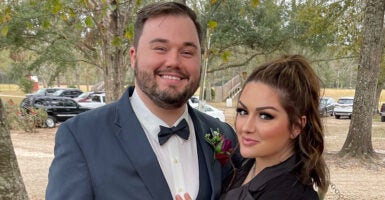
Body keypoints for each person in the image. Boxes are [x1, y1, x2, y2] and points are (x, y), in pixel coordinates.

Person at [46, 1, 242, 200]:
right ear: (134, 56)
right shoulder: (82, 137)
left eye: (187, 52)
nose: (174, 61)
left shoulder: (223, 135)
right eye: (160, 48)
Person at [219, 55, 330, 199]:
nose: (246, 127)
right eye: (243, 111)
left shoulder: (294, 195)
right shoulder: (242, 170)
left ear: (296, 126)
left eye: (265, 116)